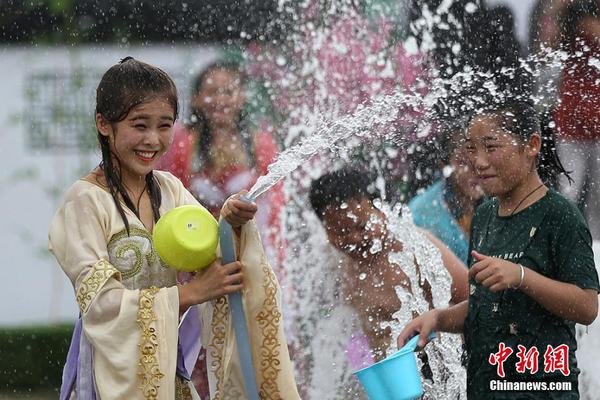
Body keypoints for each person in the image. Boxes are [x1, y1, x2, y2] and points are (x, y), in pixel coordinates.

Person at [49, 57, 299, 399]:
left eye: (164, 125)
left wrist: (231, 224)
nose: (152, 139)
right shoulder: (84, 201)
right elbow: (102, 305)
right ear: (104, 124)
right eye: (139, 125)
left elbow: (217, 254)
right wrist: (190, 294)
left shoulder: (170, 189)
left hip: (169, 371)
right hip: (111, 375)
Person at [397, 100, 599, 399]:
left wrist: (520, 276)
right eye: (471, 149)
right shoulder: (484, 216)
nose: (478, 162)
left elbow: (586, 307)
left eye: (490, 148)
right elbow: (486, 307)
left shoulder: (560, 216)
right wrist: (439, 318)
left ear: (531, 145)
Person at [309, 167, 469, 361]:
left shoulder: (414, 247)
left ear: (381, 210)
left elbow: (472, 296)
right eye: (341, 232)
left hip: (442, 367)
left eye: (361, 226)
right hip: (394, 374)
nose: (354, 239)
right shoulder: (334, 264)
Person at [554, 0, 600, 240]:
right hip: (571, 127)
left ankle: (596, 243)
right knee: (569, 190)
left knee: (598, 198)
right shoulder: (568, 31)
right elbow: (549, 42)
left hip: (595, 127)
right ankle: (562, 239)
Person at [409, 120, 484, 264]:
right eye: (463, 162)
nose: (475, 170)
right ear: (445, 166)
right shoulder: (421, 213)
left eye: (478, 159)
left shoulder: (499, 199)